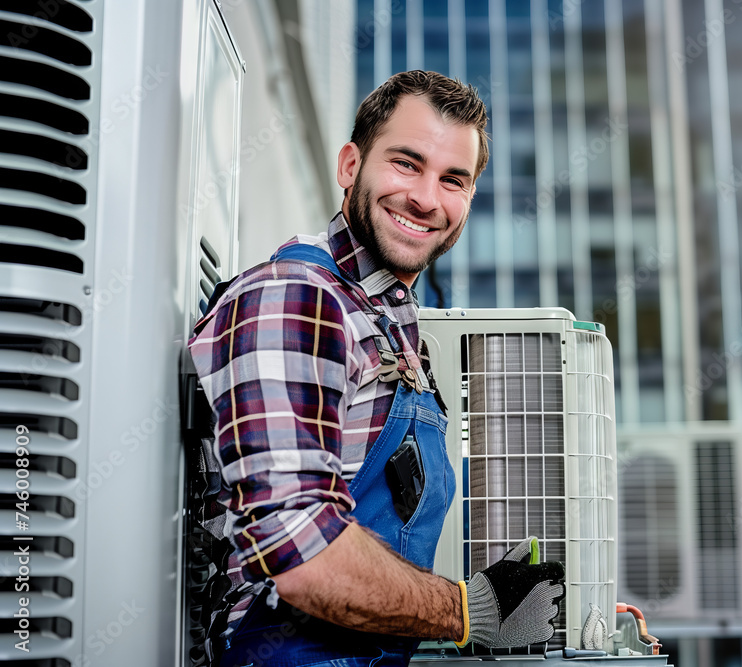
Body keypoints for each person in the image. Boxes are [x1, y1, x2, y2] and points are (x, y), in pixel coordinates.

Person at [187, 70, 566, 667]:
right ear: (349, 166)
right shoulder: (300, 298)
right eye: (406, 163)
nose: (425, 198)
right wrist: (469, 612)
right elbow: (297, 553)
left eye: (453, 180)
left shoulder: (389, 322)